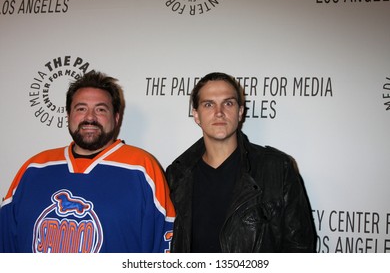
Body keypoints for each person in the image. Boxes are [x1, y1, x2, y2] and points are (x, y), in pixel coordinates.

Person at [0, 70, 175, 253]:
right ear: (68, 116)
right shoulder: (34, 168)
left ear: (116, 118)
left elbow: (164, 243)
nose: (90, 117)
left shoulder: (142, 168)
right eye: (81, 108)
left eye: (100, 109)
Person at [166, 72, 316, 253]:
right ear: (196, 115)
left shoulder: (277, 169)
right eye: (208, 104)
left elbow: (300, 248)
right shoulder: (177, 174)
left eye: (228, 103)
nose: (219, 112)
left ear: (240, 112)